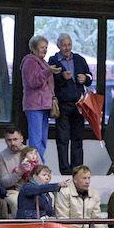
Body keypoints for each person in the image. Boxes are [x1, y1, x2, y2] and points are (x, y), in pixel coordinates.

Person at [48, 33, 92, 175]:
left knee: (78, 138)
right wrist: (61, 77)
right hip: (62, 105)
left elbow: (90, 78)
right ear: (58, 45)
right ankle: (65, 170)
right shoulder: (53, 60)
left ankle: (77, 169)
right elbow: (49, 80)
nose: (67, 48)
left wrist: (85, 78)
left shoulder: (79, 59)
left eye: (69, 45)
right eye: (64, 45)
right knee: (63, 138)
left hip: (79, 105)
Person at [20, 35, 54, 162]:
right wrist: (48, 71)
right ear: (34, 48)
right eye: (42, 47)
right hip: (34, 105)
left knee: (43, 139)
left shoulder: (43, 62)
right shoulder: (30, 62)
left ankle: (39, 162)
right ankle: (35, 165)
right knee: (36, 138)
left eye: (46, 47)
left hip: (44, 105)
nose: (44, 50)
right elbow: (33, 82)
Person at [0, 126, 26, 217]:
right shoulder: (1, 157)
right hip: (12, 192)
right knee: (17, 202)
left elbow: (41, 173)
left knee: (50, 197)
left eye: (15, 139)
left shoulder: (32, 152)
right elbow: (4, 183)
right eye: (9, 140)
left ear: (21, 139)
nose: (12, 143)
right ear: (5, 141)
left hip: (32, 188)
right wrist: (19, 172)